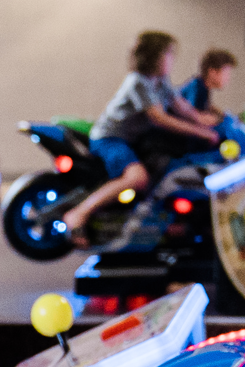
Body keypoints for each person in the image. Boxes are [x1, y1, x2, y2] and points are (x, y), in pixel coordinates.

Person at [63, 31, 223, 247]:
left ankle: (162, 223)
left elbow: (182, 107)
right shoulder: (138, 82)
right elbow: (159, 118)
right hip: (111, 139)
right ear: (153, 57)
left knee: (164, 168)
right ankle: (78, 214)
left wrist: (212, 121)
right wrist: (200, 132)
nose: (171, 60)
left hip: (132, 140)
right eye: (168, 54)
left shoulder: (160, 81)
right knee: (138, 178)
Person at [179, 47, 238, 124]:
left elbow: (204, 108)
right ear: (212, 72)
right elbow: (190, 113)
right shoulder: (195, 87)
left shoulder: (203, 87)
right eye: (226, 73)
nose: (228, 78)